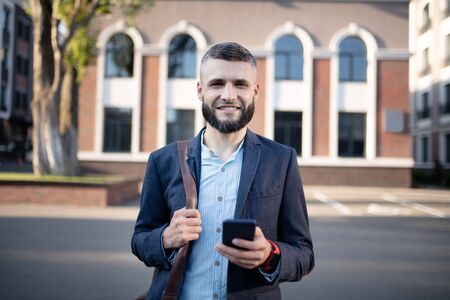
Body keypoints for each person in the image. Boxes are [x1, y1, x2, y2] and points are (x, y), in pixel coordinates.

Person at [131, 42, 314, 300]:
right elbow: (140, 240)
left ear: (255, 91)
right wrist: (165, 239)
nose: (229, 95)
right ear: (200, 90)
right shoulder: (163, 161)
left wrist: (268, 255)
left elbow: (304, 253)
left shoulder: (281, 161)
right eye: (217, 83)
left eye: (240, 84)